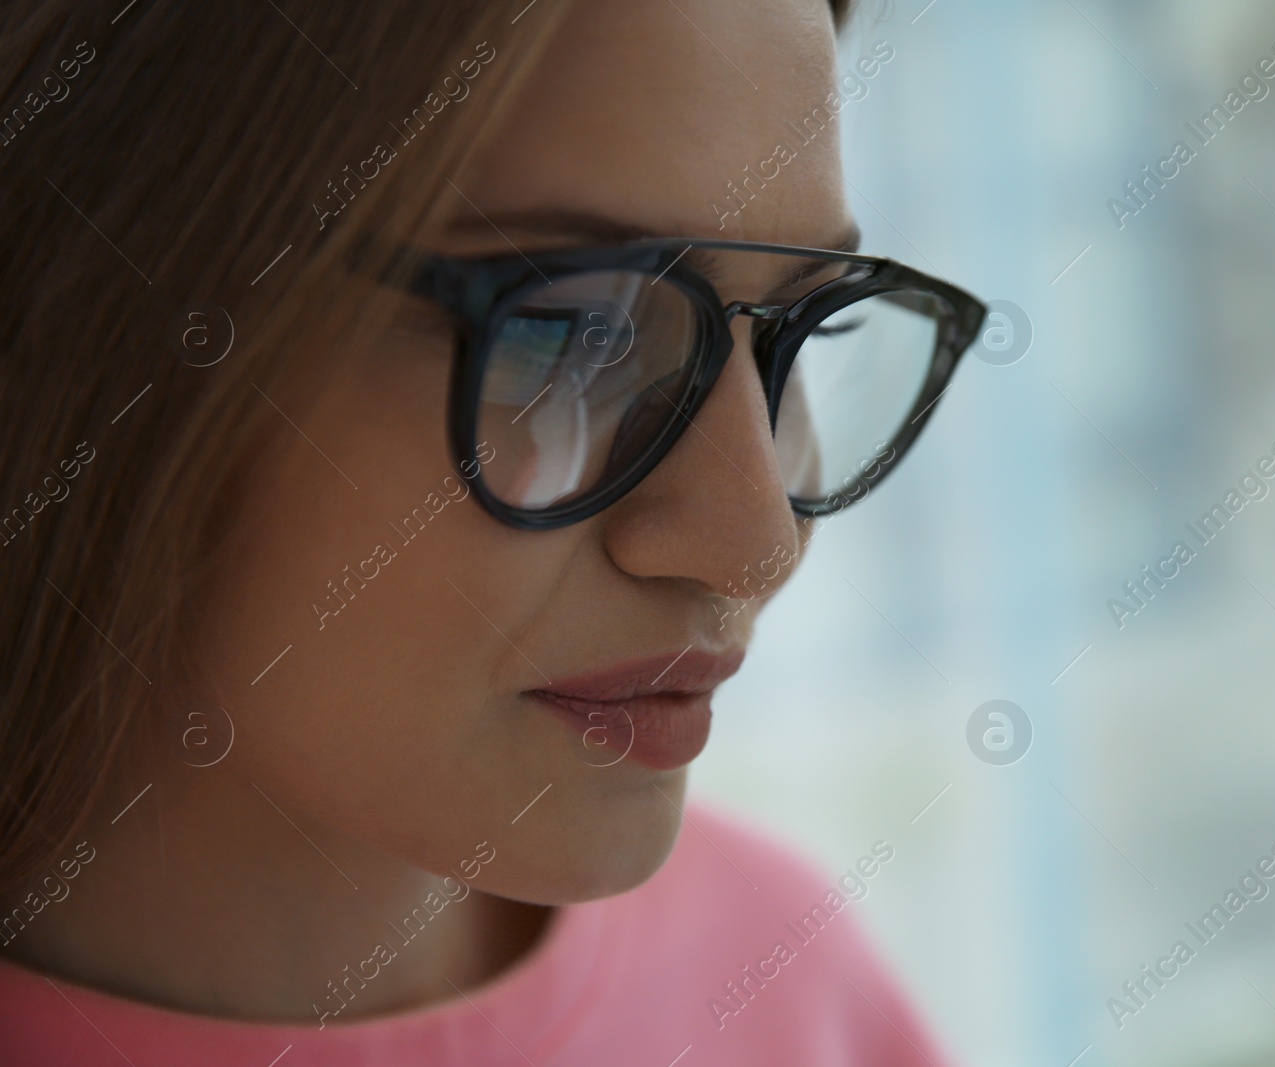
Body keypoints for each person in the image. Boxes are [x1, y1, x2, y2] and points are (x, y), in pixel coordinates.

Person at [0, 0, 983, 1062]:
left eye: (802, 328)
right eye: (566, 331)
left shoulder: (791, 978)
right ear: (110, 318)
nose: (755, 545)